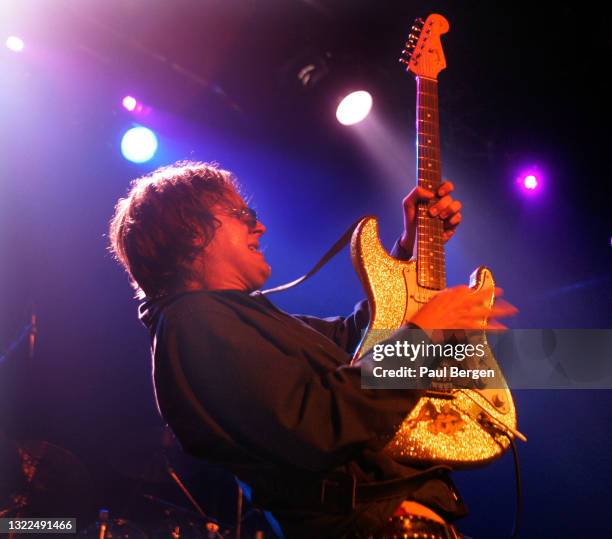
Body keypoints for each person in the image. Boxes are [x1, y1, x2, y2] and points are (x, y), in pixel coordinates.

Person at [109, 161, 516, 538]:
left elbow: (351, 344)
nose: (260, 227)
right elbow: (318, 421)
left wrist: (409, 251)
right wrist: (423, 337)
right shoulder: (192, 324)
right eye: (243, 215)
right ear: (194, 233)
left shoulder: (231, 320)